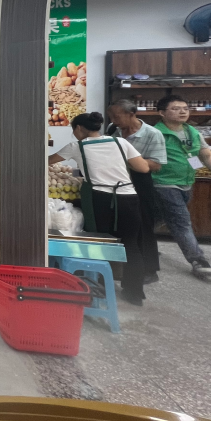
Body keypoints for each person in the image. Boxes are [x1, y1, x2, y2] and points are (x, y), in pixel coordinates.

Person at [50, 111, 150, 305]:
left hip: (100, 199)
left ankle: (98, 288)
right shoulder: (120, 142)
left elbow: (48, 161)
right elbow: (143, 167)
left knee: (98, 243)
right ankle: (135, 293)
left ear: (79, 128)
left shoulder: (77, 146)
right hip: (128, 198)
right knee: (131, 245)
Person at [152, 95, 211, 278]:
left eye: (185, 108)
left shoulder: (191, 132)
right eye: (176, 108)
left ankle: (140, 243)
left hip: (186, 182)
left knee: (157, 218)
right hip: (163, 183)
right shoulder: (155, 133)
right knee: (181, 222)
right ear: (162, 113)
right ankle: (198, 261)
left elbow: (206, 155)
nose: (182, 112)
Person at [107, 99, 167, 284]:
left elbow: (156, 164)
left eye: (117, 116)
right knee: (121, 225)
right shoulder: (113, 130)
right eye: (111, 117)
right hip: (116, 182)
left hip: (140, 183)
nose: (113, 120)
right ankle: (124, 266)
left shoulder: (152, 134)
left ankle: (150, 269)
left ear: (131, 114)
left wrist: (129, 161)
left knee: (143, 226)